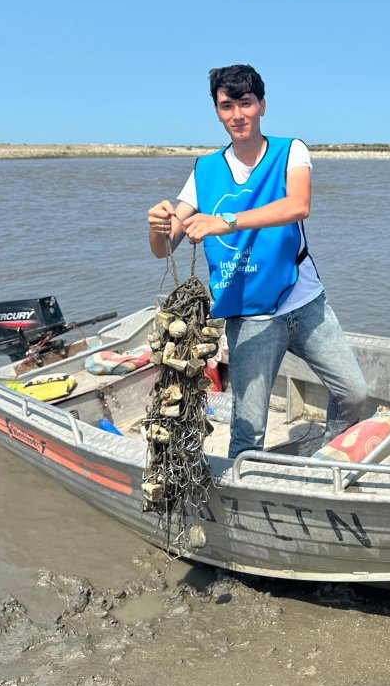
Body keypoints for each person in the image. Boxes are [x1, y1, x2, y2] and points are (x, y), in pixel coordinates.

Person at [147, 63, 368, 458]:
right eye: (226, 106)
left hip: (304, 303)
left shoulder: (290, 151)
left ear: (262, 105)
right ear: (217, 111)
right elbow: (166, 248)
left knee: (353, 392)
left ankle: (329, 459)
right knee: (248, 430)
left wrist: (225, 221)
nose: (237, 115)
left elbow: (298, 205)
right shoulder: (205, 171)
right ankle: (241, 497)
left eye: (245, 103)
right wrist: (158, 225)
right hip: (248, 318)